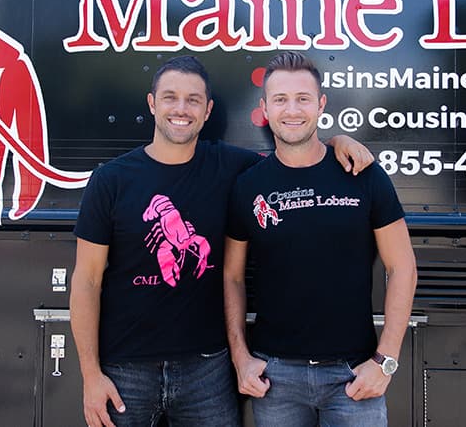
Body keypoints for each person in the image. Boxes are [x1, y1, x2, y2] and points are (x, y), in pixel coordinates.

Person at [70, 55, 373, 427]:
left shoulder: (232, 166)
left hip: (207, 372)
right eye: (170, 97)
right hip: (124, 370)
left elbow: (294, 154)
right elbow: (86, 281)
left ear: (208, 110)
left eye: (193, 100)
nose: (181, 109)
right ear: (152, 104)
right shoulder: (111, 180)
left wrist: (337, 141)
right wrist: (90, 375)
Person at [224, 51, 418, 427]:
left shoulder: (362, 174)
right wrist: (240, 357)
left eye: (303, 98)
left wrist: (385, 361)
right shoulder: (248, 186)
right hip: (275, 380)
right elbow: (231, 276)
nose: (292, 110)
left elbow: (403, 267)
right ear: (264, 108)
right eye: (280, 99)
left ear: (321, 104)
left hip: (353, 376)